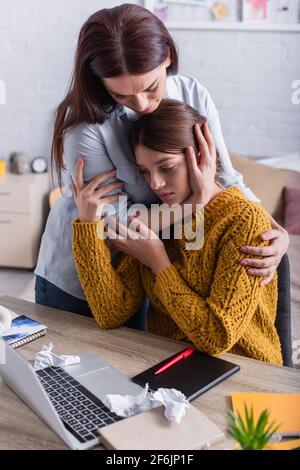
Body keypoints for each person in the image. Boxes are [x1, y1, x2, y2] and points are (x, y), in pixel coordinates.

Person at [35, 4, 289, 328]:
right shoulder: (86, 130)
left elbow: (225, 178)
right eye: (121, 95)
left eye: (150, 87)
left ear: (167, 56)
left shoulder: (193, 93)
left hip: (152, 268)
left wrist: (275, 232)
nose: (142, 105)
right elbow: (117, 228)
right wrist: (194, 204)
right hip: (80, 280)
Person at [71, 99, 282, 365]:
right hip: (173, 367)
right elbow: (111, 312)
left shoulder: (243, 219)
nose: (156, 183)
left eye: (167, 167)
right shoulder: (160, 218)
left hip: (246, 372)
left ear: (201, 156)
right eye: (145, 172)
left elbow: (216, 337)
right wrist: (88, 224)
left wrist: (158, 262)